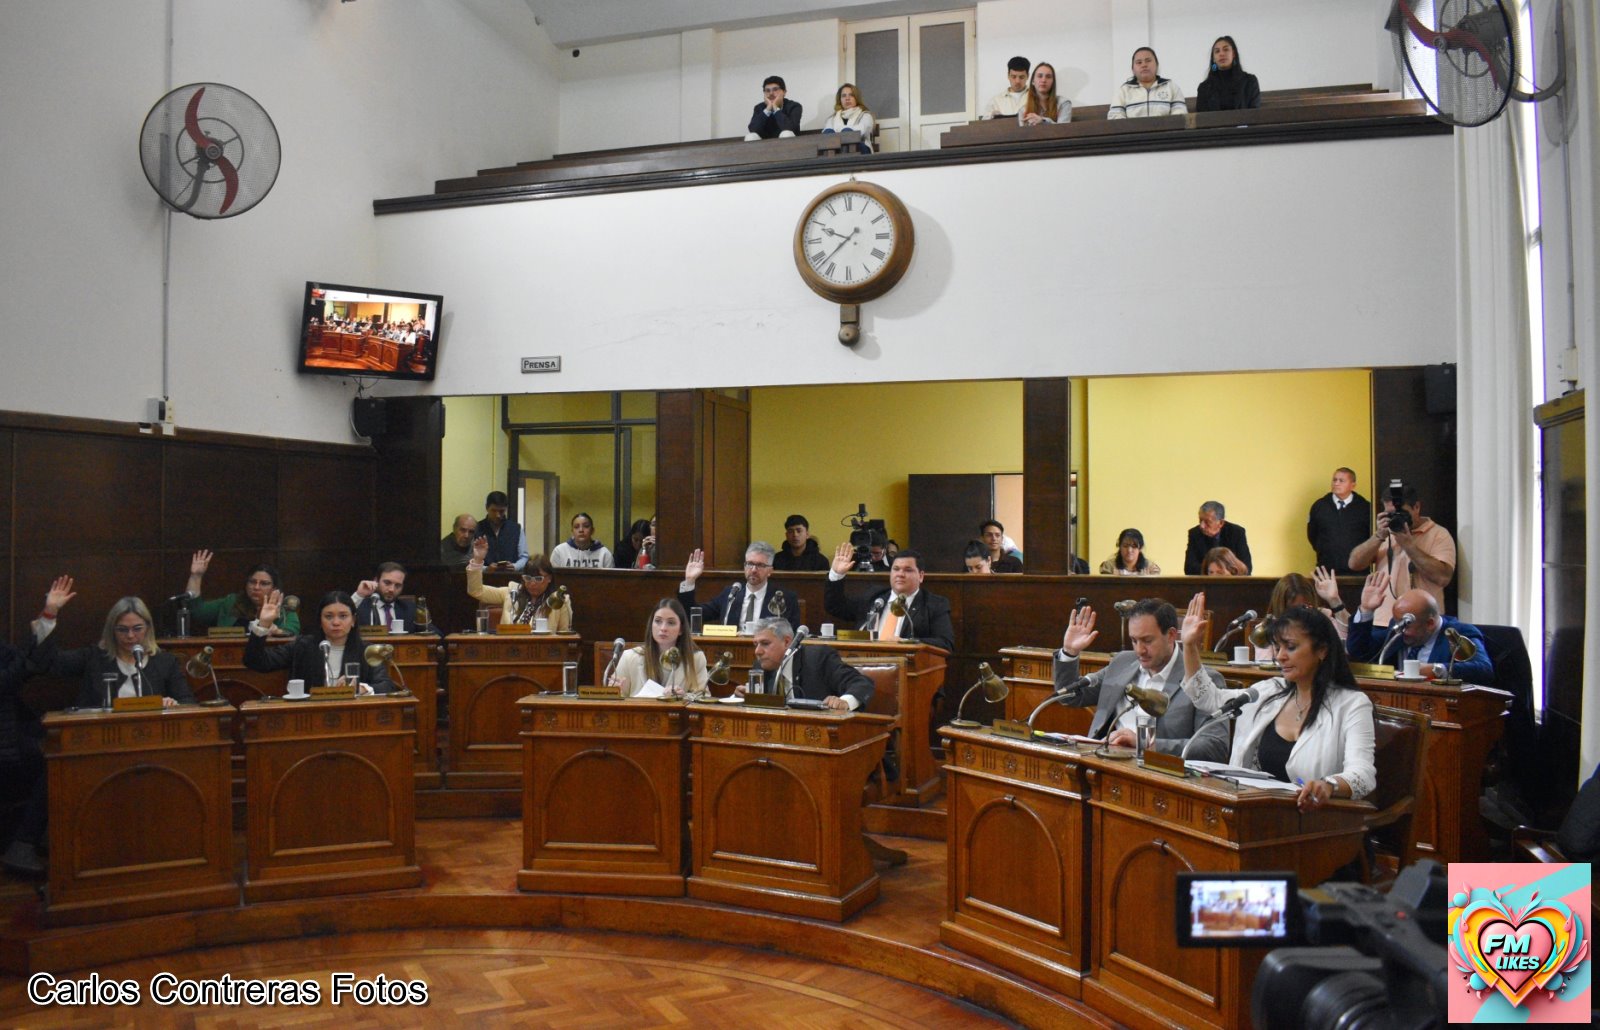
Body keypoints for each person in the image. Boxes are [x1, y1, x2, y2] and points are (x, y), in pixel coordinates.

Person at [1180, 595, 1377, 811]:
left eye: (1290, 647)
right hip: (1259, 812)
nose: (1281, 656)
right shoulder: (1270, 690)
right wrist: (1189, 646)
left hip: (1318, 820)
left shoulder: (1352, 704)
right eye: (1278, 647)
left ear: (1322, 650)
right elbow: (1210, 699)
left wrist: (1329, 785)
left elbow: (1363, 775)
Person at [1052, 599, 1230, 761]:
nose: (1139, 650)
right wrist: (1069, 652)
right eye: (1134, 641)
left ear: (1171, 635)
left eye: (1147, 640)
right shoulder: (1122, 662)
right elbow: (1070, 696)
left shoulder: (1202, 679)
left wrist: (1145, 743)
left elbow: (1214, 746)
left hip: (1162, 775)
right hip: (1105, 763)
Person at [0, 576, 75, 876]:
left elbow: (24, 662)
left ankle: (30, 837)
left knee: (55, 752)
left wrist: (46, 620)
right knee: (55, 764)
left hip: (11, 733)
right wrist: (44, 622)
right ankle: (24, 842)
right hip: (5, 743)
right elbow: (10, 678)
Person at [52, 596, 195, 709]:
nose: (130, 636)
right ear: (112, 630)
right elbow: (53, 662)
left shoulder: (165, 662)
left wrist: (172, 704)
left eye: (137, 628)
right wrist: (49, 614)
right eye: (122, 629)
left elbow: (187, 702)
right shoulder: (94, 657)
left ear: (148, 628)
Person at [1346, 578, 1494, 684]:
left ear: (1430, 623)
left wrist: (1437, 670)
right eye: (1397, 622)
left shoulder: (1459, 632)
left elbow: (1483, 669)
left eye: (1407, 624)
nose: (1400, 629)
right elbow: (1359, 652)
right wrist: (1366, 610)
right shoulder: (1398, 632)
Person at [244, 589, 394, 693]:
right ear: (320, 621)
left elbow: (386, 685)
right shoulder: (302, 646)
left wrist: (362, 689)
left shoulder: (367, 651)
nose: (336, 622)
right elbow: (256, 661)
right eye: (328, 616)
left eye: (343, 616)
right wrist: (263, 624)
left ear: (353, 620)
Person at [1345, 484, 1455, 625]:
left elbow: (1442, 577)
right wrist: (1378, 536)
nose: (1397, 518)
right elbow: (1354, 564)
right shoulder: (1386, 534)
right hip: (1383, 621)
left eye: (1401, 513)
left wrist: (1408, 545)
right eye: (1391, 513)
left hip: (1422, 623)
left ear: (1416, 507)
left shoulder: (1439, 534)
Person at [825, 543, 955, 652]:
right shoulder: (874, 597)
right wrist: (836, 574)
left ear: (921, 576)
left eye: (908, 570)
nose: (900, 574)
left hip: (905, 668)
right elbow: (835, 607)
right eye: (896, 569)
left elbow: (945, 643)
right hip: (863, 662)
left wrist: (905, 643)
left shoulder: (934, 604)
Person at [739, 618, 873, 711]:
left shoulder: (818, 658)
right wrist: (742, 696)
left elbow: (861, 683)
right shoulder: (760, 666)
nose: (758, 651)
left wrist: (844, 701)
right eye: (755, 645)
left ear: (787, 642)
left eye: (765, 643)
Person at [679, 542, 801, 628]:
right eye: (749, 564)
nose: (753, 569)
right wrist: (689, 581)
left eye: (760, 565)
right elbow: (693, 614)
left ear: (770, 570)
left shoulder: (785, 599)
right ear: (744, 566)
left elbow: (791, 634)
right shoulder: (731, 594)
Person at [467, 538, 573, 631]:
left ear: (549, 578)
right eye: (528, 578)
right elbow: (476, 591)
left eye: (538, 579)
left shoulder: (559, 601)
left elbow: (565, 637)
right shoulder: (511, 592)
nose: (532, 583)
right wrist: (478, 560)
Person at [609, 599, 708, 698]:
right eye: (658, 621)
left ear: (681, 630)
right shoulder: (629, 657)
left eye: (671, 623)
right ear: (651, 624)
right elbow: (615, 700)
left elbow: (703, 698)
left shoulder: (695, 658)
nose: (663, 628)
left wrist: (683, 696)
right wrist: (615, 691)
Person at [183, 552, 299, 635]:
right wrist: (196, 576)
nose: (256, 587)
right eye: (252, 582)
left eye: (264, 583)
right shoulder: (231, 602)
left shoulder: (284, 609)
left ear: (274, 588)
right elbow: (197, 612)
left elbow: (292, 632)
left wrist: (276, 631)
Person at [1306, 467, 1371, 574]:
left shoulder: (1365, 508)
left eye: (1341, 481)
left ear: (1353, 485)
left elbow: (1371, 537)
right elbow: (1312, 534)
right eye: (1334, 480)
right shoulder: (1320, 506)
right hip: (1326, 569)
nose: (1336, 483)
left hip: (1358, 572)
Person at [351, 561, 432, 632]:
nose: (392, 589)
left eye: (398, 585)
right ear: (376, 581)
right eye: (387, 583)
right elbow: (341, 619)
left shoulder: (410, 609)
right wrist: (359, 595)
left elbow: (433, 633)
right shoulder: (360, 605)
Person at [1269, 570, 1349, 641]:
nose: (1299, 615)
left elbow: (1346, 645)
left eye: (1304, 608)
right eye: (1292, 610)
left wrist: (1334, 600)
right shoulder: (1267, 630)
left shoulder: (1323, 620)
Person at [1108, 46, 1186, 119]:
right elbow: (1115, 117)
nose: (1144, 65)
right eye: (1139, 62)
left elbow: (1180, 114)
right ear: (1133, 69)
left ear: (1157, 65)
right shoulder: (1124, 90)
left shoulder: (1171, 86)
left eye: (1148, 61)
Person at [1195, 35, 1260, 112]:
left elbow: (1254, 114)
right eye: (1217, 51)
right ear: (1213, 59)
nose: (1221, 54)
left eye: (1226, 49)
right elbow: (1202, 118)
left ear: (1233, 54)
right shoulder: (1204, 88)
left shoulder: (1250, 81)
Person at [1184, 501, 1252, 574]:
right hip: (1204, 582)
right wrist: (1213, 571)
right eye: (1200, 520)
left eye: (1207, 522)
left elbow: (1246, 567)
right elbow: (1189, 568)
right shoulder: (1195, 534)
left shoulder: (1236, 532)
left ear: (1221, 523)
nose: (1202, 526)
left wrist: (1222, 571)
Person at [476, 491, 529, 572]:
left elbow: (524, 557)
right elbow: (470, 559)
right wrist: (486, 569)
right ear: (486, 508)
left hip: (511, 578)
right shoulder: (477, 528)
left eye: (501, 511)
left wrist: (515, 566)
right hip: (484, 577)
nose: (498, 515)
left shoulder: (516, 528)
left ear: (506, 509)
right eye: (494, 510)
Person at [746, 75, 803, 141]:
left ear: (784, 92)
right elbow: (753, 129)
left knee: (786, 133)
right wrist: (768, 109)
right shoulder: (759, 108)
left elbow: (790, 128)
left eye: (775, 89)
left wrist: (775, 108)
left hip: (791, 146)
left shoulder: (794, 106)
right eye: (767, 90)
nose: (771, 93)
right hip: (765, 146)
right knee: (751, 136)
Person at [549, 512, 614, 569]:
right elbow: (553, 580)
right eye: (576, 527)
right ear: (572, 531)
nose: (581, 530)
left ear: (592, 530)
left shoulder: (605, 554)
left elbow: (610, 581)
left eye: (586, 526)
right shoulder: (559, 552)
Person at [823, 83, 874, 152]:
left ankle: (844, 161)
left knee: (847, 132)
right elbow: (825, 137)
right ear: (840, 100)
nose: (847, 98)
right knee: (828, 132)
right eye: (844, 96)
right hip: (837, 151)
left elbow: (860, 132)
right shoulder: (832, 119)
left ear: (856, 98)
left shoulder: (865, 115)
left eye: (851, 95)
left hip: (860, 149)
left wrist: (840, 132)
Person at [984, 55, 1031, 120]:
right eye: (1013, 77)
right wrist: (991, 118)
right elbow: (984, 126)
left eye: (1021, 77)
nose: (1017, 81)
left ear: (1028, 76)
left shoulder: (1036, 97)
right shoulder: (995, 102)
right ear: (1008, 75)